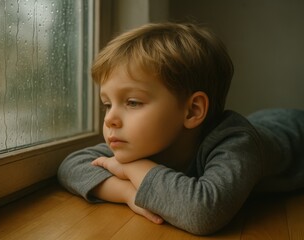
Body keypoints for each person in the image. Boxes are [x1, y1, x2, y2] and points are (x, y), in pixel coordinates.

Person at [57, 22, 304, 235]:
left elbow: (204, 212)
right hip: (263, 120)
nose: (110, 119)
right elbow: (71, 166)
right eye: (107, 105)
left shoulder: (236, 142)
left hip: (294, 131)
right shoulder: (144, 139)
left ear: (192, 111)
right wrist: (126, 192)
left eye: (132, 102)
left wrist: (132, 167)